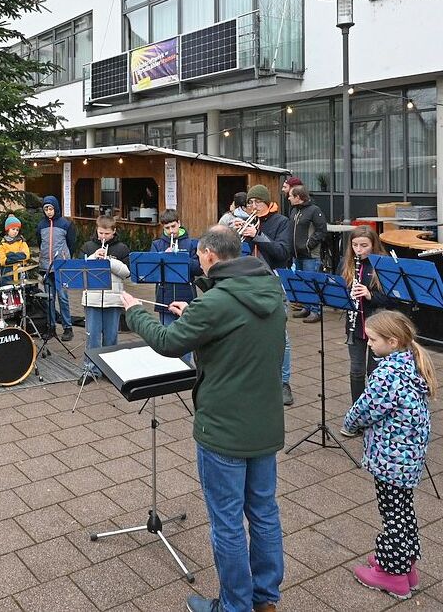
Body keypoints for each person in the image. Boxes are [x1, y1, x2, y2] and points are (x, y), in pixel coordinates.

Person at [121, 225, 285, 612]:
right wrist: (194, 312)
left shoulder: (217, 302)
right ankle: (265, 599)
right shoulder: (271, 290)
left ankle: (233, 606)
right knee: (263, 513)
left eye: (199, 256)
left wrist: (135, 312)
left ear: (210, 256)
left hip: (223, 425)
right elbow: (233, 327)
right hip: (264, 421)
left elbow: (168, 343)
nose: (197, 260)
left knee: (226, 522)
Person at [343, 311, 435, 601]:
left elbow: (365, 408)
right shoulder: (410, 363)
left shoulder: (386, 374)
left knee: (392, 515)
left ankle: (392, 575)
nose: (368, 343)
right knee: (404, 512)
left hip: (391, 459)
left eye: (372, 339)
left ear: (392, 342)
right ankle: (404, 565)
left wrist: (348, 423)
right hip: (408, 458)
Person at [236, 185, 295, 406]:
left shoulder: (281, 222)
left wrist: (257, 235)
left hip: (274, 282)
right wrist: (239, 235)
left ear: (267, 202)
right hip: (250, 283)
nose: (253, 207)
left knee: (281, 335)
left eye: (257, 202)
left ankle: (284, 382)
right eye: (250, 203)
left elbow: (283, 252)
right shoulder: (251, 222)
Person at [339, 226, 389, 407]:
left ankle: (375, 409)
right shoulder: (347, 263)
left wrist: (370, 295)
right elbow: (337, 290)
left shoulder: (383, 264)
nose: (359, 250)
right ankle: (357, 411)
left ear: (374, 245)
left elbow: (393, 299)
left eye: (364, 245)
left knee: (374, 371)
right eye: (355, 245)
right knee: (356, 370)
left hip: (377, 325)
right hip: (355, 326)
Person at [79, 217, 130, 380]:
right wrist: (94, 256)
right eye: (100, 232)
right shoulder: (88, 246)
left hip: (113, 299)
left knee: (111, 336)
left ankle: (110, 370)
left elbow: (127, 273)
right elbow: (80, 268)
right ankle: (91, 370)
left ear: (114, 231)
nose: (103, 236)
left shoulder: (121, 248)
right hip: (92, 298)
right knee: (92, 335)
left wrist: (109, 262)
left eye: (107, 233)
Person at [149, 209, 201, 327]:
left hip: (187, 295)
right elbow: (152, 272)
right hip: (164, 295)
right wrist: (163, 257)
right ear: (163, 228)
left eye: (173, 226)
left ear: (179, 223)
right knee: (167, 332)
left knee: (188, 332)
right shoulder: (157, 245)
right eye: (167, 228)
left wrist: (181, 258)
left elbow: (199, 269)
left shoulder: (192, 243)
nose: (171, 231)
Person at [36, 195, 76, 341]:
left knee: (63, 298)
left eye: (51, 208)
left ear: (56, 208)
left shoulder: (66, 224)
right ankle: (51, 327)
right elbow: (40, 242)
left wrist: (65, 258)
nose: (49, 211)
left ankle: (67, 328)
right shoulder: (41, 225)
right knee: (49, 299)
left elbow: (72, 244)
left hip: (61, 267)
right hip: (46, 267)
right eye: (46, 209)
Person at [287, 184, 328, 324]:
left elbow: (321, 230)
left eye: (291, 196)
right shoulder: (294, 211)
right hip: (297, 254)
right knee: (301, 282)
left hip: (310, 255)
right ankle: (306, 307)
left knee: (311, 282)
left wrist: (309, 245)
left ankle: (316, 311)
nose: (288, 198)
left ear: (298, 197)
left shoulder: (314, 211)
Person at [0, 215, 30, 285]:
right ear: (8, 230)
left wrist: (10, 255)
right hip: (7, 273)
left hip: (20, 271)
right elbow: (3, 261)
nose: (15, 232)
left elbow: (26, 256)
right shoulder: (1, 244)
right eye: (13, 229)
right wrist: (18, 256)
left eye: (17, 230)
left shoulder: (22, 241)